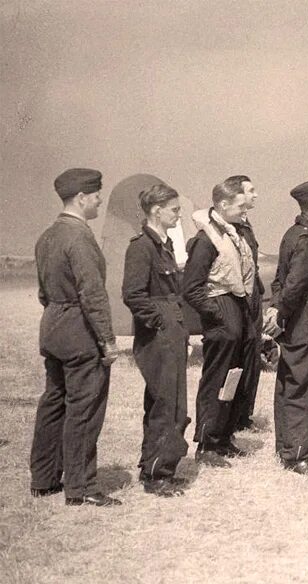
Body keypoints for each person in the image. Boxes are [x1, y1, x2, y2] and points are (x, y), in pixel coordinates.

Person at [30, 168, 122, 507]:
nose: (99, 199)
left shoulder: (47, 236)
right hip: (80, 332)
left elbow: (43, 292)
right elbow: (93, 295)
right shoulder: (80, 238)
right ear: (81, 198)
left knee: (53, 404)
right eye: (96, 194)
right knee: (84, 409)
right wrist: (108, 342)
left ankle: (43, 479)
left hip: (53, 326)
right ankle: (81, 487)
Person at [122, 183, 189, 496]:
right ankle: (155, 475)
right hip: (159, 334)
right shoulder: (141, 247)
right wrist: (160, 324)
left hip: (172, 329)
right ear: (156, 210)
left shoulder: (165, 245)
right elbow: (133, 295)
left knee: (172, 401)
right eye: (174, 209)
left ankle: (160, 465)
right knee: (165, 402)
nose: (178, 214)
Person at [263, 180, 308, 475]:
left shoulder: (293, 234)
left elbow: (281, 281)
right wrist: (281, 309)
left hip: (295, 314)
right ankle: (298, 454)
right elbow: (296, 283)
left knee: (290, 379)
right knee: (306, 383)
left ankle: (287, 447)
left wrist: (278, 311)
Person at [182, 182, 255, 467]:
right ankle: (207, 444)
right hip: (222, 308)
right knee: (216, 378)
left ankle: (224, 438)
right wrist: (217, 313)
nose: (245, 208)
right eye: (240, 205)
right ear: (223, 206)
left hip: (236, 307)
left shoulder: (233, 233)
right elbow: (191, 288)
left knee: (233, 376)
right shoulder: (205, 240)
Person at [225, 176, 265, 432]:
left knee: (251, 356)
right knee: (238, 358)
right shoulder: (230, 226)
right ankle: (231, 416)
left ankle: (243, 415)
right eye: (251, 190)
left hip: (252, 297)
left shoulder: (244, 224)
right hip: (240, 299)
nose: (255, 195)